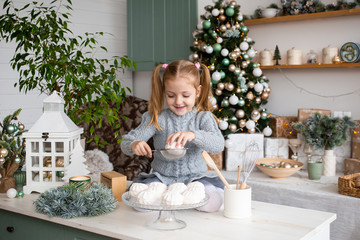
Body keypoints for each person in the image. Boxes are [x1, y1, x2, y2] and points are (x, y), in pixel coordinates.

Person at [120, 60, 225, 212]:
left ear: (198, 92)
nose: (178, 101)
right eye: (171, 95)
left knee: (211, 204)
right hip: (162, 178)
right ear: (164, 92)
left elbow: (218, 144)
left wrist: (194, 135)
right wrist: (134, 144)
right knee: (141, 205)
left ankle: (182, 196)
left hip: (195, 178)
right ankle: (165, 196)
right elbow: (126, 141)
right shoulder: (156, 118)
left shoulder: (203, 118)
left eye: (185, 95)